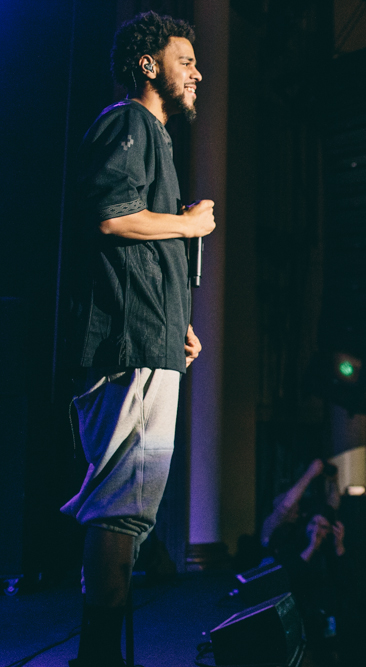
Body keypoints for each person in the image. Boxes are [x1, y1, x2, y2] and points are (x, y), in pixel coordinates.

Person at [60, 11, 214, 666]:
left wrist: (178, 323)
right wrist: (188, 225)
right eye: (186, 60)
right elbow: (113, 217)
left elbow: (137, 251)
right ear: (148, 65)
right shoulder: (128, 121)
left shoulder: (155, 138)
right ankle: (99, 658)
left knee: (129, 511)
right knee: (120, 511)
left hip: (150, 340)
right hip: (128, 349)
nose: (198, 72)